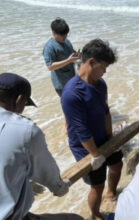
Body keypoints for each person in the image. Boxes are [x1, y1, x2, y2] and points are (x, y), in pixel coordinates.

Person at [0, 73, 80, 220]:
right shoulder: (25, 130)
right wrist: (61, 187)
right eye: (25, 104)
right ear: (19, 100)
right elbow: (51, 179)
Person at [61, 39, 122, 220]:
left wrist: (112, 139)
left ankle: (112, 193)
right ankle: (95, 214)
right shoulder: (72, 93)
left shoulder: (100, 84)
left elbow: (106, 112)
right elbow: (81, 130)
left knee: (117, 165)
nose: (105, 72)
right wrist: (96, 155)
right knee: (97, 185)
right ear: (91, 62)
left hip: (104, 138)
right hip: (85, 146)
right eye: (103, 67)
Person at [43, 17, 81, 97]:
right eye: (62, 35)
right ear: (54, 32)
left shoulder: (66, 41)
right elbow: (50, 66)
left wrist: (78, 56)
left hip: (72, 80)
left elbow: (72, 53)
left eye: (66, 35)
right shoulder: (49, 47)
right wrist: (68, 60)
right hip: (61, 85)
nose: (65, 37)